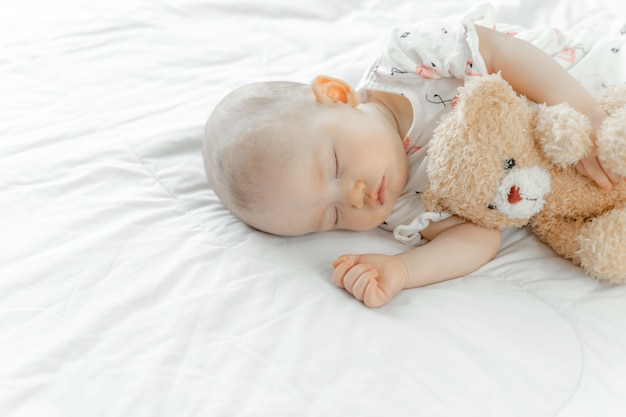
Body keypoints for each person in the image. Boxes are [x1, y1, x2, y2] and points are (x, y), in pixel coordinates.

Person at [203, 5, 625, 307]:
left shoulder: (406, 61)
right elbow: (479, 236)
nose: (354, 198)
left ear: (336, 95)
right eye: (331, 216)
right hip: (600, 179)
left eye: (335, 166)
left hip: (589, 79)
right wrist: (403, 270)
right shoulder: (403, 206)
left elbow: (500, 53)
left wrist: (581, 112)